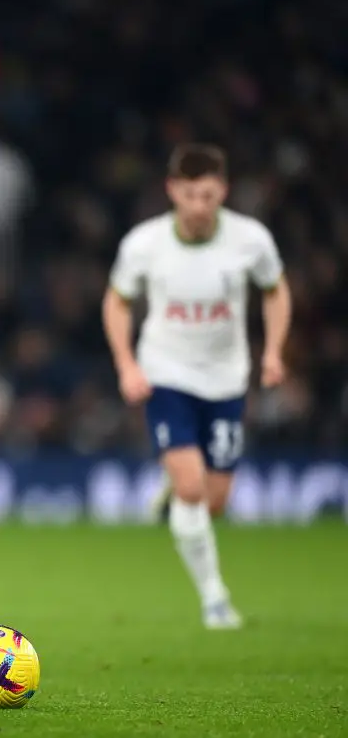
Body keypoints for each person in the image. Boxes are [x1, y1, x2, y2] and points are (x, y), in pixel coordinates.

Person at [101, 144, 291, 630]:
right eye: (190, 195)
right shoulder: (144, 244)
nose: (199, 206)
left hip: (227, 379)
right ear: (173, 192)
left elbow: (275, 291)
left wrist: (272, 351)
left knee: (215, 500)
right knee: (192, 488)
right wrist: (126, 365)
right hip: (167, 374)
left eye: (208, 195)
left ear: (222, 192)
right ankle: (215, 598)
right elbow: (118, 303)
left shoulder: (251, 240)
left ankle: (174, 487)